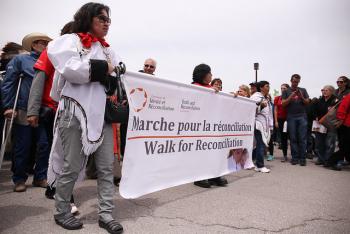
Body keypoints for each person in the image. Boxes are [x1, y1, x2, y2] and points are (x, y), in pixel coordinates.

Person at [47, 3, 124, 233]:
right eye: (102, 18)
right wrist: (105, 69)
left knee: (106, 167)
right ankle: (61, 212)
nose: (107, 23)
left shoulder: (109, 49)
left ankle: (106, 214)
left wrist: (111, 74)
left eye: (109, 19)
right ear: (88, 18)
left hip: (102, 116)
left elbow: (119, 72)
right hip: (74, 113)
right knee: (71, 165)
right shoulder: (69, 41)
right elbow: (71, 69)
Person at [26, 22, 78, 214]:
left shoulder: (78, 55)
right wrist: (32, 111)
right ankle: (59, 192)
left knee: (61, 151)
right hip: (49, 109)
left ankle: (52, 187)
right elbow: (38, 81)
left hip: (67, 109)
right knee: (53, 149)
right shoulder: (51, 51)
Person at [2, 32, 52, 192]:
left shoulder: (50, 61)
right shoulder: (20, 60)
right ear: (34, 44)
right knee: (23, 145)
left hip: (43, 109)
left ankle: (40, 177)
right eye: (42, 43)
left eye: (46, 43)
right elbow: (8, 83)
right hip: (23, 107)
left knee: (44, 144)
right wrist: (9, 106)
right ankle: (19, 179)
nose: (45, 45)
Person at [191, 64, 228, 188]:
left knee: (213, 150)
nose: (211, 75)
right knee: (201, 152)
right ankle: (199, 177)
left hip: (212, 125)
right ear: (203, 74)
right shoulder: (194, 87)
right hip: (199, 125)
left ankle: (214, 175)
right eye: (209, 73)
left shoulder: (211, 88)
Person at [282, 74, 310, 166]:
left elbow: (307, 102)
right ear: (291, 81)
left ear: (299, 82)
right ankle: (295, 158)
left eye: (297, 82)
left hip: (302, 116)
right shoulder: (286, 91)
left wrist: (301, 96)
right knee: (293, 138)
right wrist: (291, 96)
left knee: (302, 138)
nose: (295, 83)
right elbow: (283, 104)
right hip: (291, 116)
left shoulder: (303, 90)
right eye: (294, 81)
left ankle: (302, 158)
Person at [250, 81, 273, 173]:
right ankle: (260, 165)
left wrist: (270, 125)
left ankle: (255, 163)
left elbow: (269, 113)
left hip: (264, 124)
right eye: (267, 86)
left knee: (260, 144)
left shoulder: (266, 98)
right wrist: (261, 106)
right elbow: (251, 110)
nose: (268, 88)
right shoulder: (255, 97)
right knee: (260, 144)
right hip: (258, 123)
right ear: (261, 88)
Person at [313, 86, 337, 166]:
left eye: (326, 90)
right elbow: (315, 110)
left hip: (330, 124)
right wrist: (316, 116)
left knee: (329, 143)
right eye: (323, 90)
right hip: (320, 124)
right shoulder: (320, 100)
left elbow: (333, 112)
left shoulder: (335, 100)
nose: (324, 92)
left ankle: (328, 160)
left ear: (331, 91)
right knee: (319, 143)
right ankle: (321, 159)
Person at [327, 94, 350, 170]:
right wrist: (341, 119)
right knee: (345, 147)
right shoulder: (349, 96)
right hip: (346, 125)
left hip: (346, 124)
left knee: (345, 147)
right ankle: (331, 161)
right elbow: (342, 108)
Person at [274, 84, 289, 162]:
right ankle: (285, 155)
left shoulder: (290, 97)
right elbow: (275, 110)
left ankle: (296, 155)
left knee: (292, 137)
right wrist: (276, 121)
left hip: (289, 120)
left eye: (284, 88)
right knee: (283, 138)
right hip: (280, 120)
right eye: (281, 88)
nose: (282, 89)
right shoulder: (277, 98)